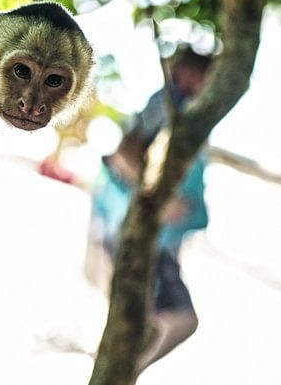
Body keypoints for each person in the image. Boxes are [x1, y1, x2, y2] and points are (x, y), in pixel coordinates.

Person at [90, 47, 212, 372]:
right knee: (178, 319)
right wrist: (162, 201)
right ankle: (125, 372)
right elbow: (124, 154)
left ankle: (125, 370)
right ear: (189, 74)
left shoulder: (183, 109)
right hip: (138, 230)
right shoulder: (168, 104)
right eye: (205, 77)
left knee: (151, 323)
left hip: (151, 234)